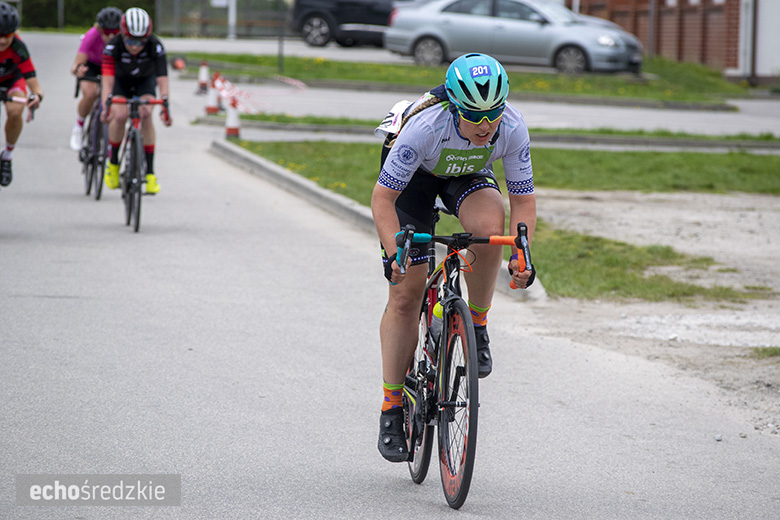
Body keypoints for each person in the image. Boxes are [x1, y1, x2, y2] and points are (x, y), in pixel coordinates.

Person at [371, 53, 537, 462]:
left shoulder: (512, 126)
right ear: (454, 107)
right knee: (405, 296)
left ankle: (476, 323)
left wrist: (522, 255)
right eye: (475, 116)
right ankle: (392, 406)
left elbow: (523, 201)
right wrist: (394, 255)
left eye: (493, 114)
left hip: (466, 175)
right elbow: (383, 199)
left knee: (489, 228)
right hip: (413, 183)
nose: (486, 126)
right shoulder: (425, 127)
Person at [101, 7, 171, 195]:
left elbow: (163, 80)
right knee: (120, 115)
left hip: (144, 82)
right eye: (130, 41)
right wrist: (106, 106)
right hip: (120, 83)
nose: (135, 47)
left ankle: (150, 173)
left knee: (146, 114)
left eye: (140, 42)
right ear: (123, 35)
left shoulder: (155, 45)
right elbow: (107, 82)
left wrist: (165, 106)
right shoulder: (113, 46)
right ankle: (113, 163)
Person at [0, 1, 43, 189]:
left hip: (12, 80)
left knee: (16, 110)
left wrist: (37, 95)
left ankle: (7, 155)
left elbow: (32, 79)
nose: (3, 41)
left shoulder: (18, 47)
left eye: (7, 36)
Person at [69, 6, 123, 152]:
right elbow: (76, 65)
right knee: (90, 93)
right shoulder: (92, 35)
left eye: (115, 32)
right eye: (107, 32)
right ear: (100, 29)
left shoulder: (123, 40)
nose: (111, 37)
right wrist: (79, 70)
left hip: (112, 66)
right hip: (93, 65)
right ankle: (79, 126)